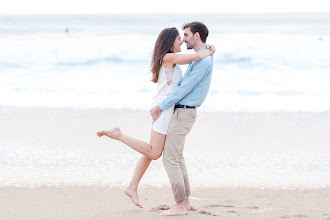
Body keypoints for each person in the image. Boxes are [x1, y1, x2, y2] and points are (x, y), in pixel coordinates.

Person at [97, 27, 215, 208]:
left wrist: (207, 51)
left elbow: (196, 60)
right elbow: (197, 57)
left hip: (166, 108)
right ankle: (118, 135)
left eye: (183, 37)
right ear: (170, 43)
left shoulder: (171, 60)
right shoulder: (168, 57)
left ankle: (132, 186)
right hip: (163, 109)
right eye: (178, 38)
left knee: (151, 150)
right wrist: (210, 50)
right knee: (154, 152)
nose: (182, 41)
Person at [150, 21, 214, 216]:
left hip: (185, 112)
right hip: (182, 111)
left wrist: (160, 107)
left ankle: (179, 204)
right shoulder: (199, 58)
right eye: (182, 36)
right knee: (177, 157)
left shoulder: (203, 61)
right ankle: (184, 201)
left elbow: (184, 89)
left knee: (169, 157)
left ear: (196, 36)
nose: (184, 38)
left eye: (185, 35)